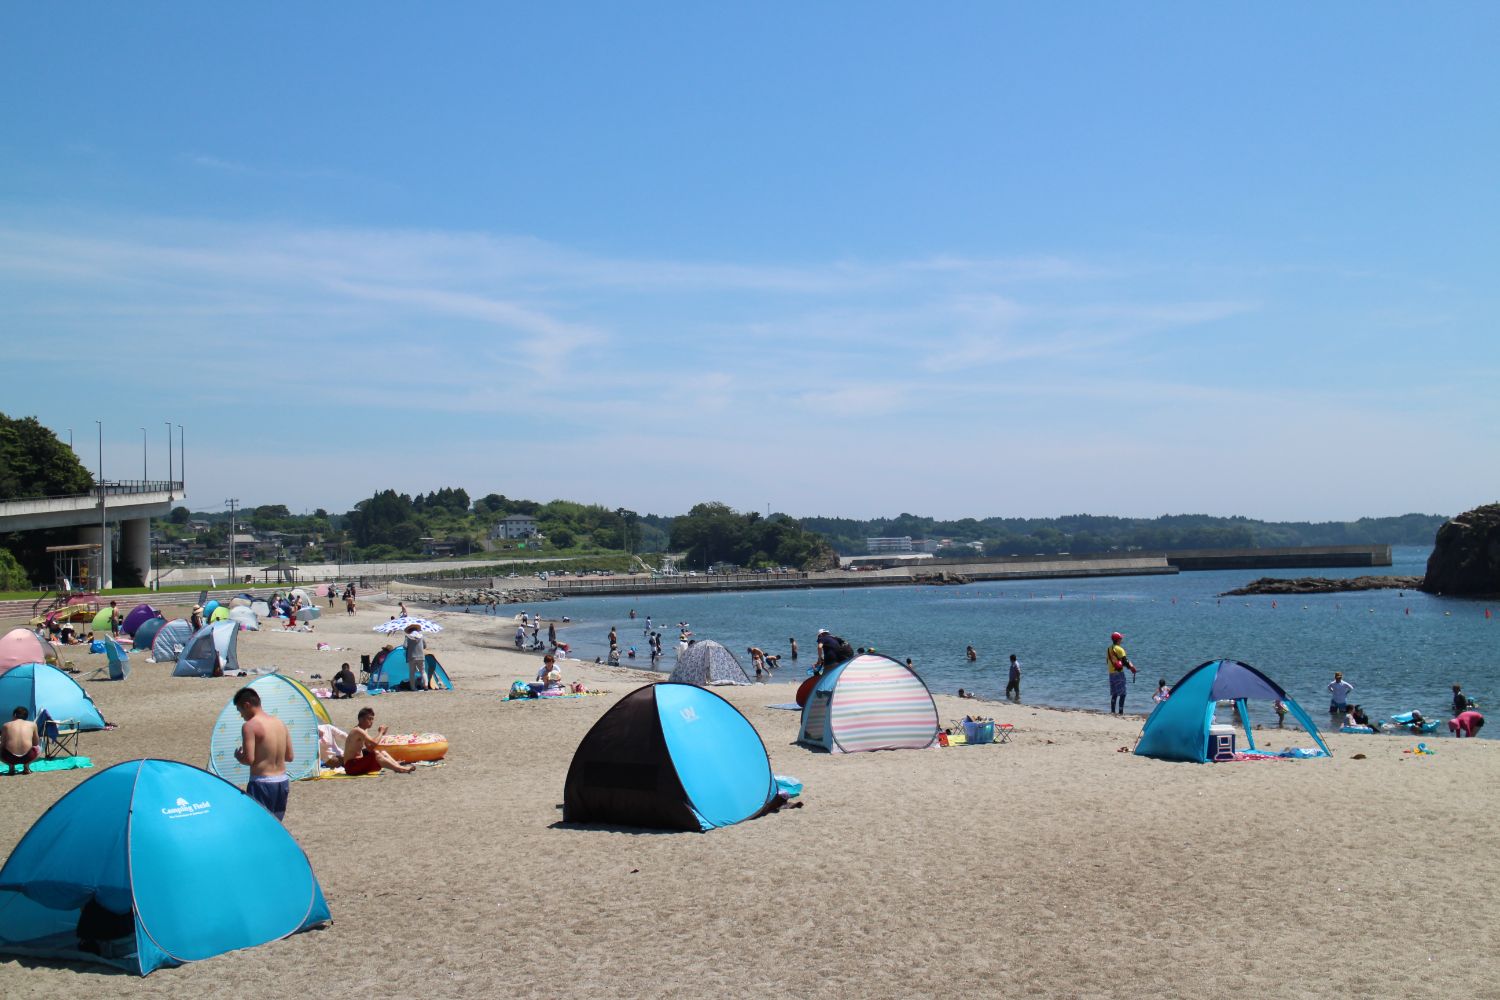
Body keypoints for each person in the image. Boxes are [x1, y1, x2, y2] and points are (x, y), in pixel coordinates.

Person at [232, 687, 292, 821]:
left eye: (240, 711)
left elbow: (250, 759)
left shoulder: (250, 726)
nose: (241, 716)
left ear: (247, 705)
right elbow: (289, 757)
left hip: (262, 783)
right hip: (282, 781)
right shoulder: (279, 723)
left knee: (259, 823)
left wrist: (239, 757)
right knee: (277, 824)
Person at [343, 707, 415, 774]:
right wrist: (381, 732)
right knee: (376, 754)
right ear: (361, 720)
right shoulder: (357, 731)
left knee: (380, 752)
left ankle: (396, 765)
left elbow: (370, 748)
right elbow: (374, 743)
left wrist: (381, 735)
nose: (371, 721)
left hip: (357, 762)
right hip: (351, 766)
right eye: (369, 719)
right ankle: (399, 768)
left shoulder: (364, 730)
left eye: (372, 719)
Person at [2, 707, 40, 776]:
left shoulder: (6, 725)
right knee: (39, 747)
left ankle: (11, 766)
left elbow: (2, 744)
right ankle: (26, 766)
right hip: (28, 757)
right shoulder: (32, 725)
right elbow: (36, 743)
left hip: (10, 758)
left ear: (15, 715)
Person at [1106, 631, 1136, 715]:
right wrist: (1132, 669)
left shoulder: (1109, 649)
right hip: (1119, 673)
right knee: (1123, 694)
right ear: (1118, 640)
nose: (1121, 639)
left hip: (1111, 673)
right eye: (1120, 638)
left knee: (1114, 693)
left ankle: (1112, 711)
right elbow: (1125, 661)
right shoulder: (1120, 649)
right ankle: (1120, 712)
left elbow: (1108, 661)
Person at [403, 623, 427, 689]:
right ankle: (425, 685)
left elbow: (404, 646)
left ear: (410, 630)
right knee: (423, 671)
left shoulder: (408, 637)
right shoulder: (421, 636)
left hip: (412, 657)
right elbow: (425, 646)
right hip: (421, 656)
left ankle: (413, 687)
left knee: (412, 673)